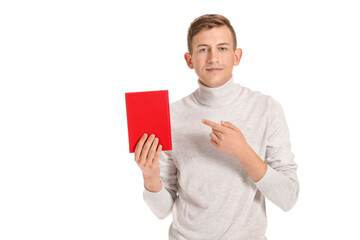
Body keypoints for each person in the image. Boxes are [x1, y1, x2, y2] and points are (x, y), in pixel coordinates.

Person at [133, 14, 299, 240]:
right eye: (203, 49)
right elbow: (162, 211)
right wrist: (150, 177)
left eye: (222, 48)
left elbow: (288, 198)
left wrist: (243, 152)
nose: (213, 58)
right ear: (189, 60)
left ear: (236, 56)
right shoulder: (168, 115)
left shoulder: (267, 109)